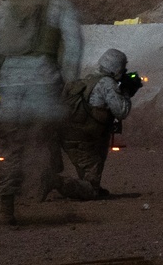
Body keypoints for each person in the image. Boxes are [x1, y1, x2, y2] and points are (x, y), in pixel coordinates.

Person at [0, 0, 82, 224]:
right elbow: (73, 48)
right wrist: (69, 83)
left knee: (12, 148)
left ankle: (7, 208)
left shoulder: (7, 6)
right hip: (45, 85)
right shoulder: (59, 5)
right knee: (47, 140)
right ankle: (47, 188)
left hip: (10, 87)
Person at [54, 48, 137, 201]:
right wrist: (126, 92)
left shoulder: (89, 79)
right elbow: (122, 111)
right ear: (117, 68)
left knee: (90, 177)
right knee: (91, 190)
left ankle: (86, 185)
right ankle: (54, 182)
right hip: (85, 141)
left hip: (71, 138)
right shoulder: (107, 84)